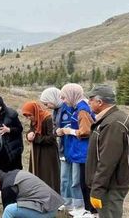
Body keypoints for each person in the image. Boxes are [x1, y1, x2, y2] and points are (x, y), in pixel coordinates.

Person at [86, 85, 129, 218]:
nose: (88, 102)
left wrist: (97, 189)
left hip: (113, 181)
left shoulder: (113, 123)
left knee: (110, 212)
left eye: (90, 99)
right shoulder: (112, 118)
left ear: (100, 102)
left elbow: (108, 161)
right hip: (111, 180)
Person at [57, 84, 96, 218]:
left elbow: (86, 131)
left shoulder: (82, 110)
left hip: (83, 153)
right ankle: (87, 210)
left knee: (85, 183)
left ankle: (90, 211)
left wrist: (70, 131)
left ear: (72, 95)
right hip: (79, 152)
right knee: (82, 182)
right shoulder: (77, 109)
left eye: (64, 97)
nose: (63, 100)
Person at [40, 86, 72, 211]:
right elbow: (55, 128)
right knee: (64, 177)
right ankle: (64, 200)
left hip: (70, 147)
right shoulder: (56, 111)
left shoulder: (67, 109)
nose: (47, 106)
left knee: (70, 178)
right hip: (63, 147)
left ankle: (72, 202)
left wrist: (61, 131)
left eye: (47, 103)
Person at [0, 168, 64, 218]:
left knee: (9, 210)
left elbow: (9, 213)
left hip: (46, 210)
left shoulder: (7, 186)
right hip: (52, 206)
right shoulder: (15, 173)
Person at [21, 101, 60, 194]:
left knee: (47, 175)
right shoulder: (35, 119)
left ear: (35, 111)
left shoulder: (47, 119)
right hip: (36, 151)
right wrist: (28, 135)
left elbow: (52, 137)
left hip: (47, 152)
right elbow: (32, 131)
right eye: (26, 116)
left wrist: (36, 138)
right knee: (37, 173)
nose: (28, 118)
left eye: (29, 115)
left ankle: (50, 196)